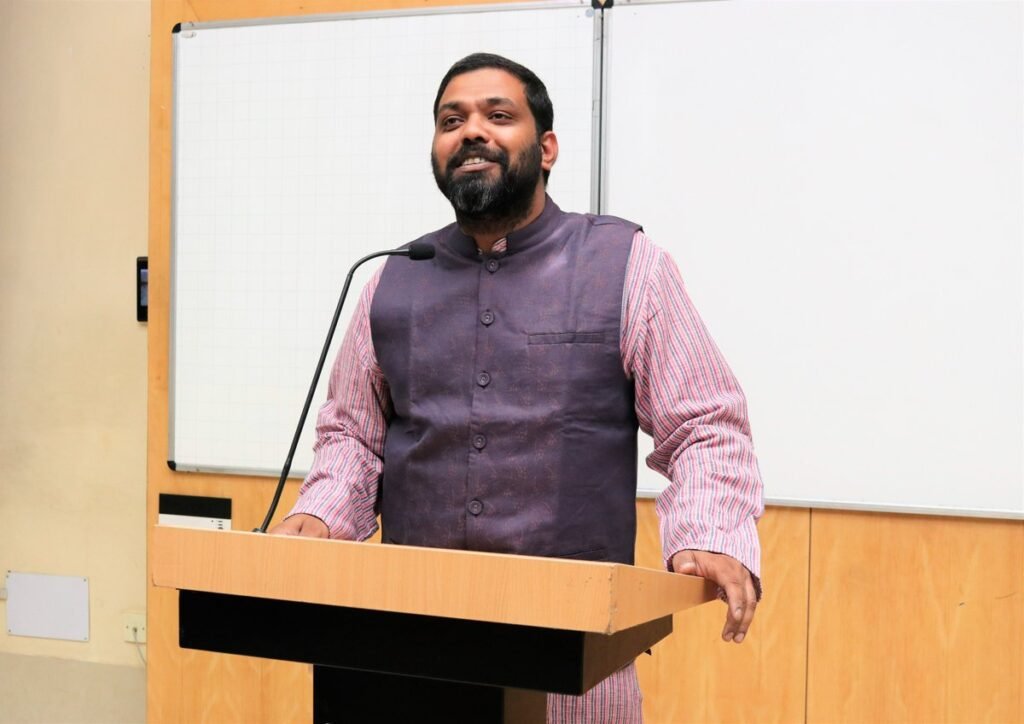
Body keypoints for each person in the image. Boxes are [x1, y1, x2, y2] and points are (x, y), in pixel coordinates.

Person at [271, 52, 764, 723]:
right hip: (413, 647)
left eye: (498, 115)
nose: (472, 131)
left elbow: (703, 423)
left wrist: (709, 529)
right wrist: (323, 515)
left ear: (547, 148)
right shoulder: (392, 279)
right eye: (451, 121)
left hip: (574, 658)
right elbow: (353, 435)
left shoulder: (626, 266)